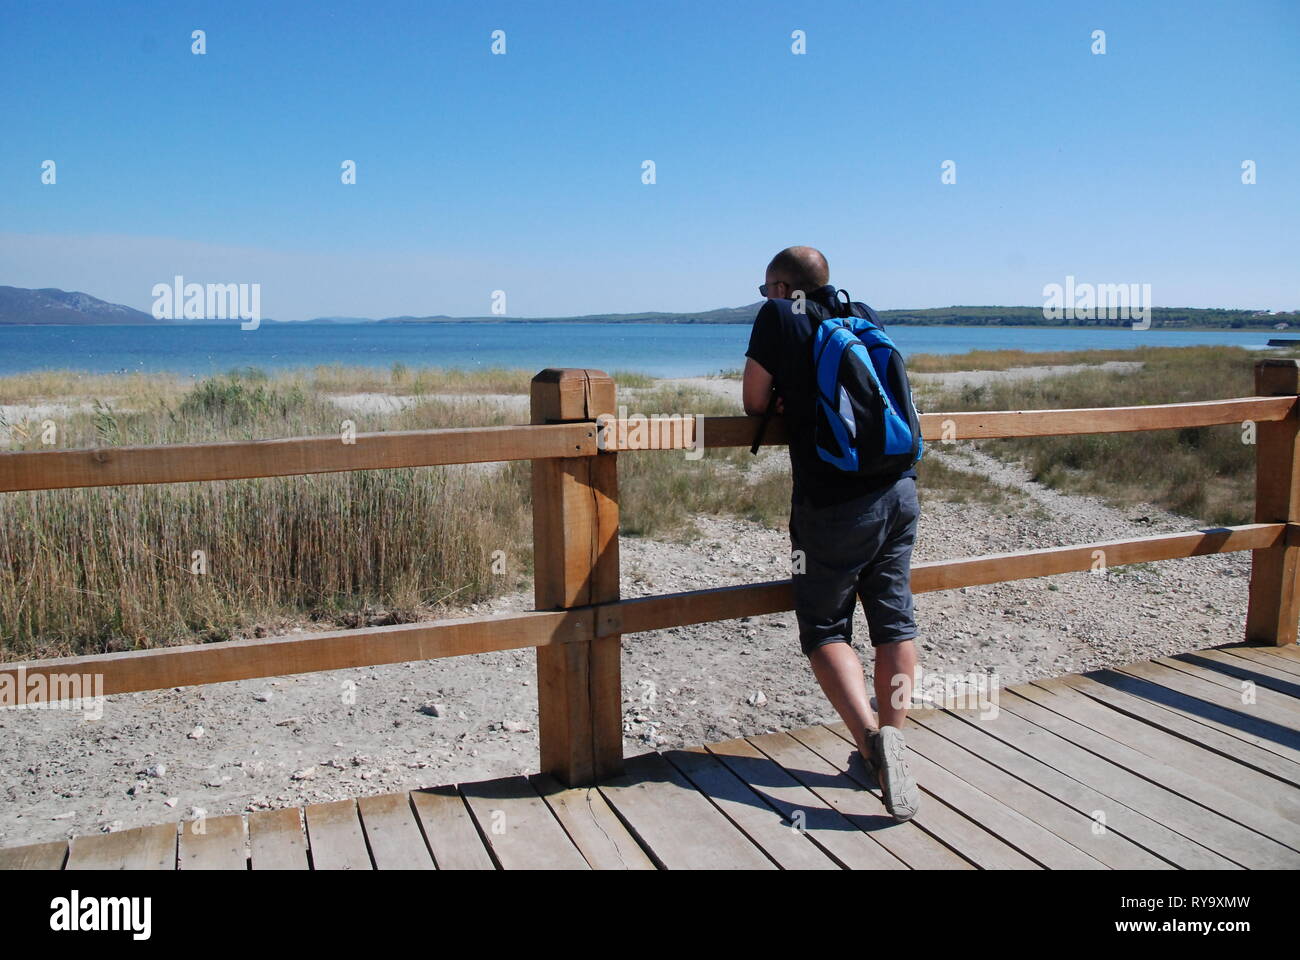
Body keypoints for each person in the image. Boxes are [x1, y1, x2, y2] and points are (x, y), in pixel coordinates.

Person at [742, 245, 921, 822]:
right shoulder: (862, 313)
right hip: (899, 490)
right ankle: (893, 739)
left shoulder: (777, 315)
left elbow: (751, 401)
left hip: (832, 503)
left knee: (824, 626)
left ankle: (873, 744)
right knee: (893, 619)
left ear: (780, 285)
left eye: (767, 286)